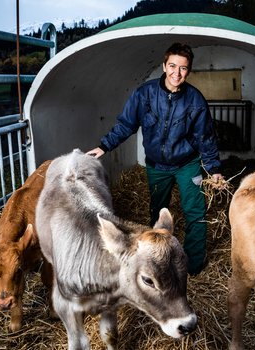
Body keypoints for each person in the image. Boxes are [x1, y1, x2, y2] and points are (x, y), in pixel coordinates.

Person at [87, 42, 223, 275]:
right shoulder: (144, 94)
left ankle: (193, 267)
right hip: (157, 166)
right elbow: (126, 124)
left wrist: (213, 168)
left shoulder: (195, 100)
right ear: (163, 65)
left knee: (196, 212)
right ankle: (156, 259)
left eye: (183, 68)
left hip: (187, 164)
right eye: (172, 66)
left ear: (188, 70)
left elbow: (205, 137)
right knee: (157, 211)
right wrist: (104, 146)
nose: (176, 73)